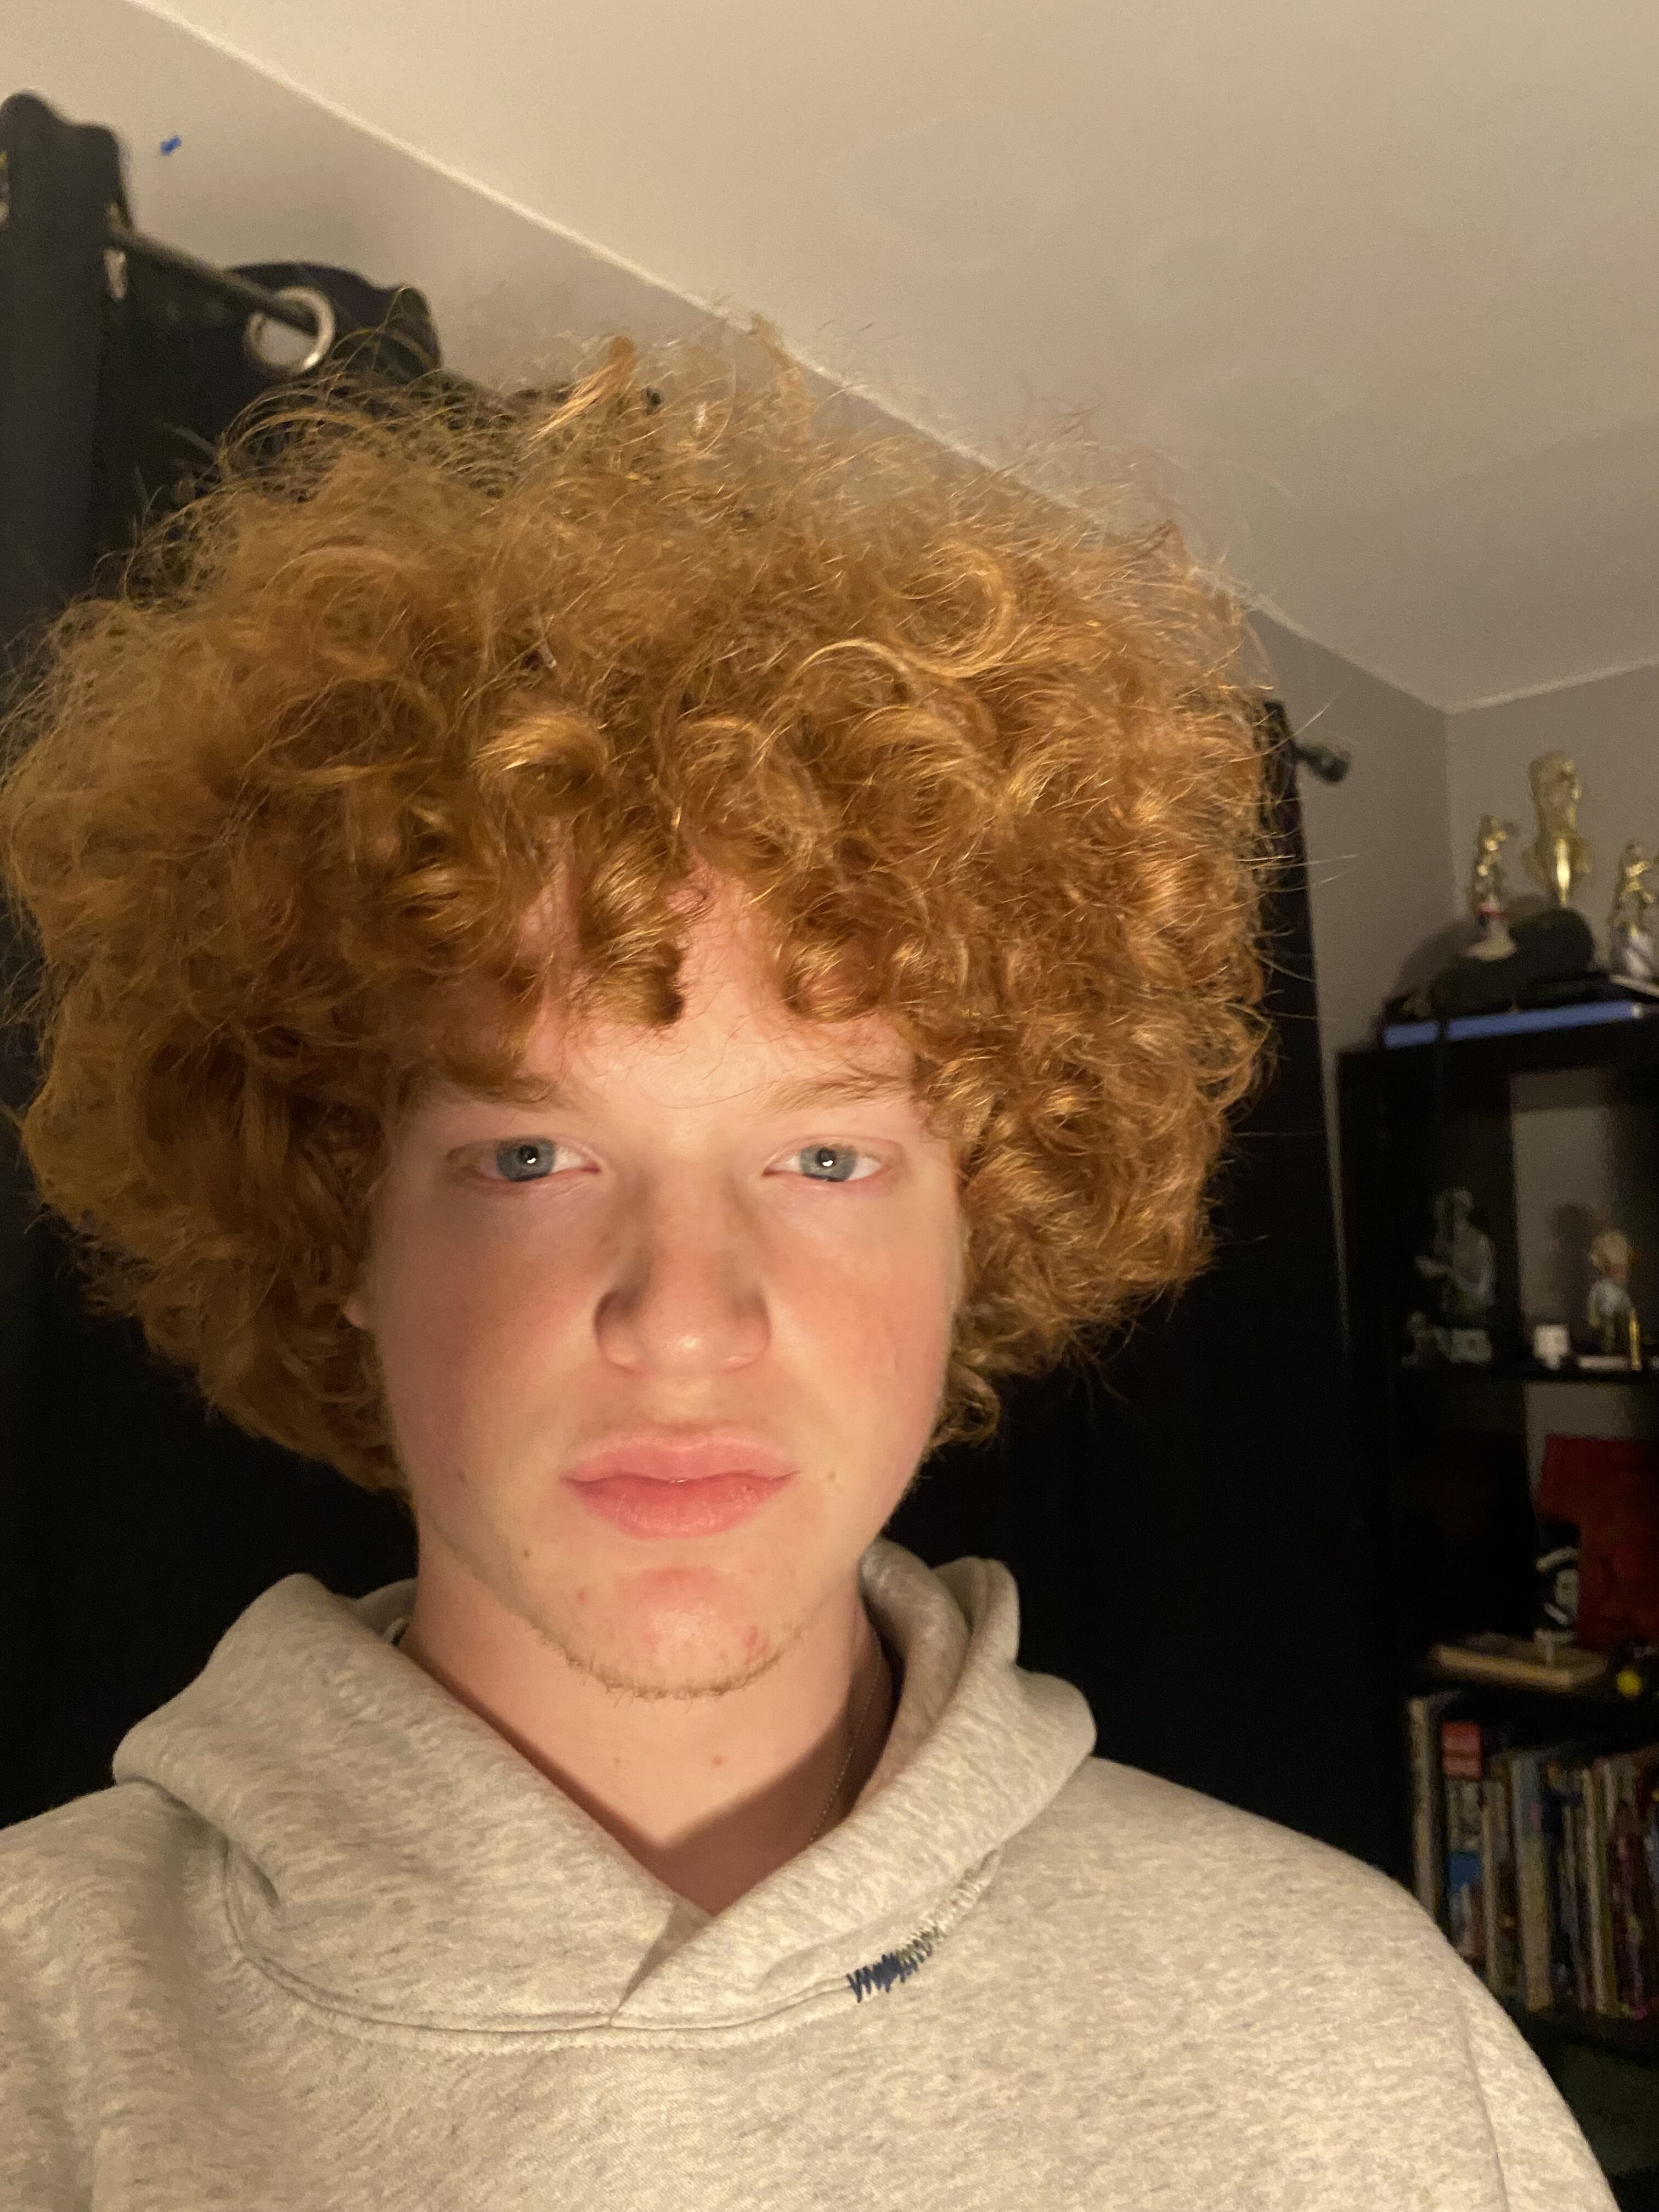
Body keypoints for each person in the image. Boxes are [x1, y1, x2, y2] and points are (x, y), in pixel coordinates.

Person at [0, 329, 1613, 2208]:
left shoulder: (1353, 2031)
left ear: (985, 1221)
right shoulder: (43, 2041)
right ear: (335, 1219)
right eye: (530, 1156)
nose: (685, 1321)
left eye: (826, 1157)